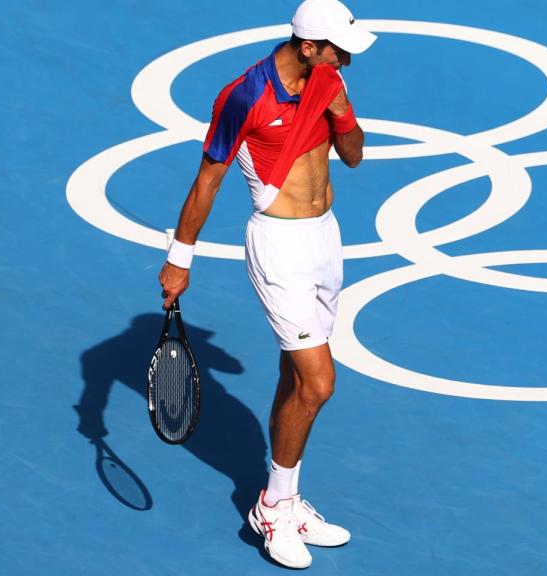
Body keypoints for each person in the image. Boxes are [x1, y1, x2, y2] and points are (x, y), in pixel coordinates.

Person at [157, 0, 376, 569]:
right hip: (279, 249)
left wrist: (341, 112)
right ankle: (272, 509)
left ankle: (287, 501)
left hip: (327, 239)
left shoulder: (327, 80)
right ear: (308, 46)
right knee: (319, 383)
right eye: (339, 50)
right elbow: (207, 181)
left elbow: (354, 157)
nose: (347, 60)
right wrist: (180, 259)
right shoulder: (244, 96)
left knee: (293, 378)